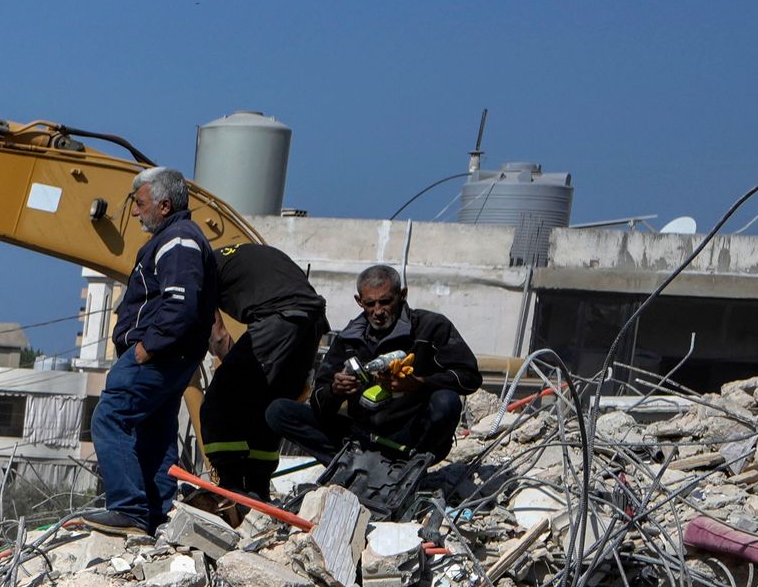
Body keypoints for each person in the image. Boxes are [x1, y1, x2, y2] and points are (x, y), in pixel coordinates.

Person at [74, 166, 214, 535]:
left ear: (164, 205)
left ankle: (128, 509)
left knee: (110, 417)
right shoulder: (177, 238)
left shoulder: (178, 241)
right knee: (155, 431)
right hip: (171, 358)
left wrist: (144, 350)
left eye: (140, 203)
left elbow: (180, 305)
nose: (134, 212)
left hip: (156, 357)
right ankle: (155, 514)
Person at [269, 262, 484, 462]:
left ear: (402, 295)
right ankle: (349, 465)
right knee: (279, 411)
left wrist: (419, 384)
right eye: (370, 304)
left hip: (412, 433)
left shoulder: (431, 327)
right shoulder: (347, 339)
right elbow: (318, 402)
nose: (378, 311)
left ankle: (408, 467)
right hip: (360, 435)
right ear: (359, 301)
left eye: (386, 301)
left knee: (446, 401)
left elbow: (469, 377)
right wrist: (336, 390)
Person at [194, 237, 328, 504]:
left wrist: (231, 377)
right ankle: (258, 489)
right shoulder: (231, 259)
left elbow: (219, 337)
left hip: (280, 320)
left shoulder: (197, 270)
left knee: (219, 404)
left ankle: (230, 488)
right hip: (311, 325)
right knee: (265, 406)